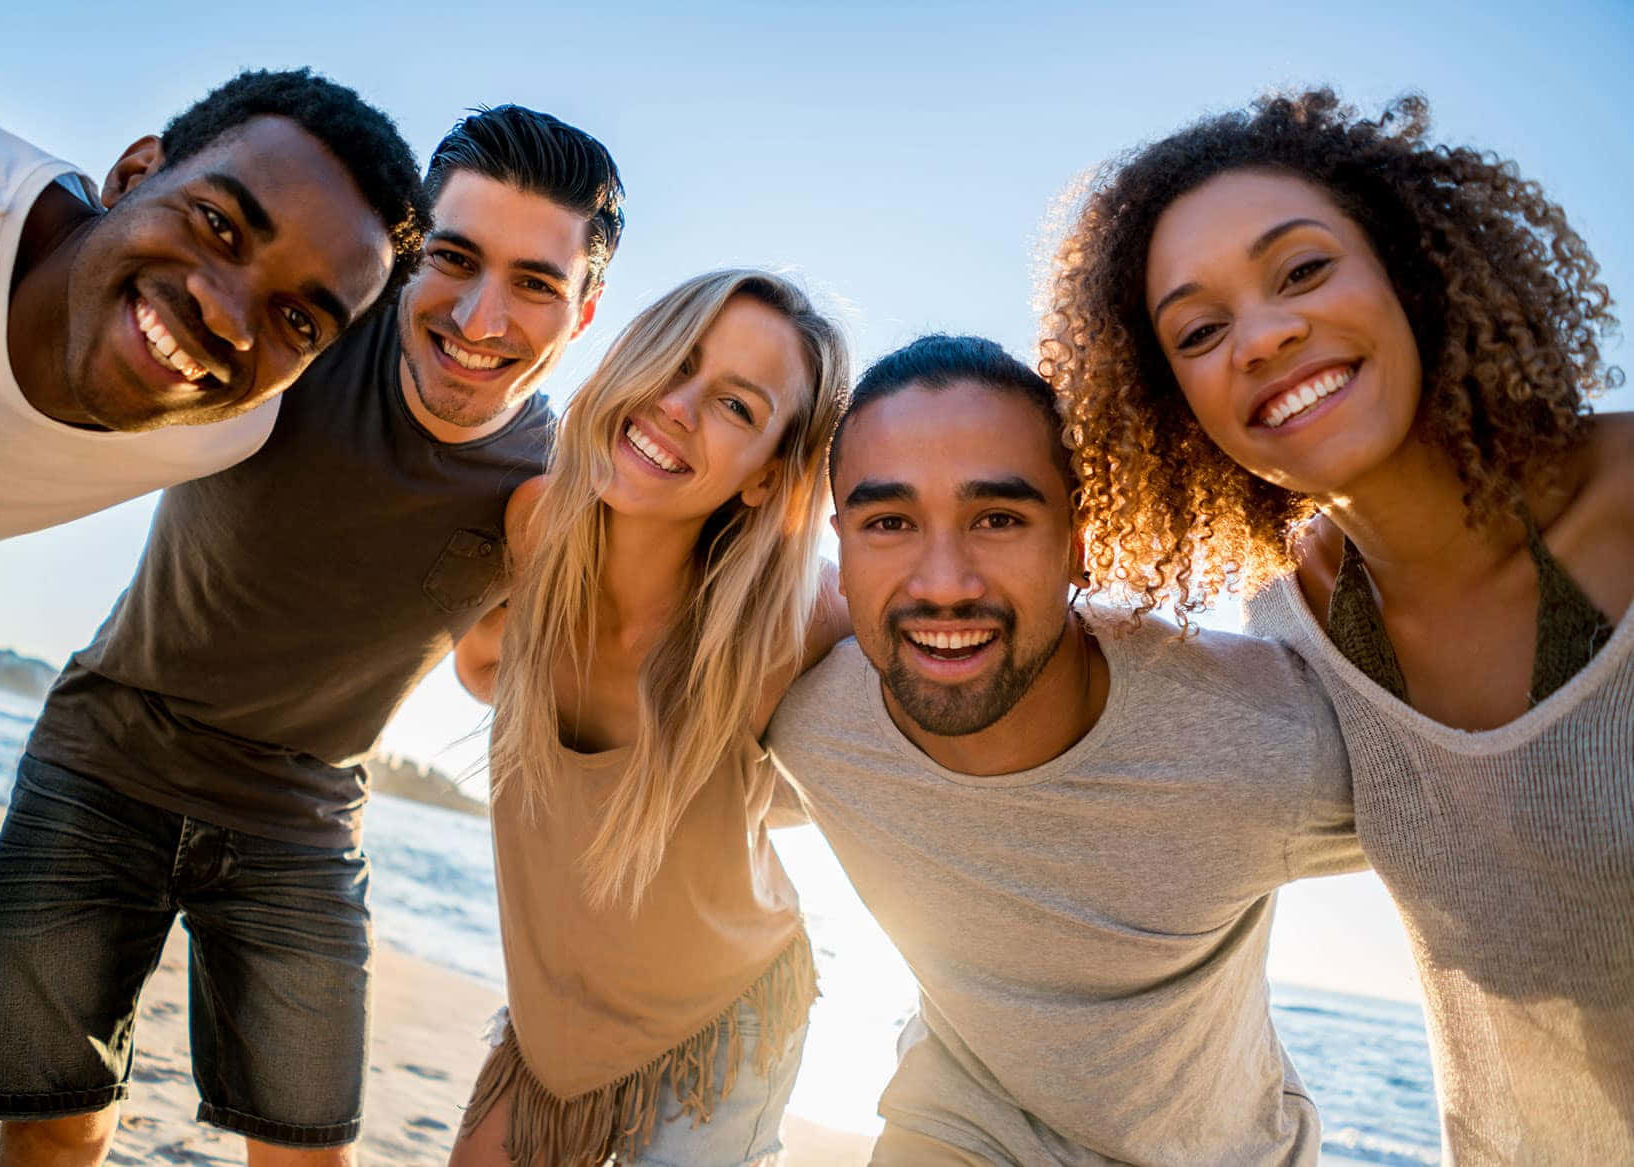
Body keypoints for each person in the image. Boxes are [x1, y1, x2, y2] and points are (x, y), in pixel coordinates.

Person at [0, 106, 621, 1167]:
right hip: (105, 758)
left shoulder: (553, 494)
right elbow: (89, 222)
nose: (483, 317)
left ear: (583, 315)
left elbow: (511, 670)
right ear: (405, 261)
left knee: (307, 1153)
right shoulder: (292, 331)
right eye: (453, 259)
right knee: (54, 1122)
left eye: (536, 282)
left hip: (300, 824)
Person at [1040, 89, 1633, 1160]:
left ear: (1407, 267)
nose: (1263, 337)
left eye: (1302, 270)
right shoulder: (1291, 623)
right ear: (1172, 402)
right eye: (1199, 330)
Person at [764, 334, 1363, 1165]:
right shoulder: (807, 719)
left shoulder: (1262, 740)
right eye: (890, 521)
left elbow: (1494, 814)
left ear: (1080, 540)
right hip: (958, 1126)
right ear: (843, 542)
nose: (943, 581)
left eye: (999, 518)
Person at [0, 26, 425, 800]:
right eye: (218, 225)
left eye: (299, 321)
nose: (228, 316)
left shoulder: (231, 423)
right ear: (134, 172)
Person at [448, 269, 850, 1166]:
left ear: (765, 480)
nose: (676, 406)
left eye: (737, 408)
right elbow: (480, 668)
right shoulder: (532, 525)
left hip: (725, 1020)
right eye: (675, 360)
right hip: (555, 1016)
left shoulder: (793, 619)